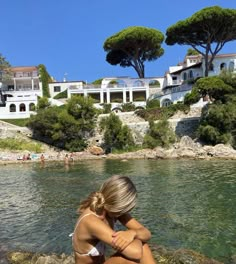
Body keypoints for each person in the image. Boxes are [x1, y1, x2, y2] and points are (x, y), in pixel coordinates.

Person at [72, 175, 156, 264]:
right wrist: (137, 236)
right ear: (119, 206)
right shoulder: (91, 221)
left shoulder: (111, 210)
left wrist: (132, 233)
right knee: (131, 259)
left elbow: (147, 234)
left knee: (144, 246)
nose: (127, 211)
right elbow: (135, 253)